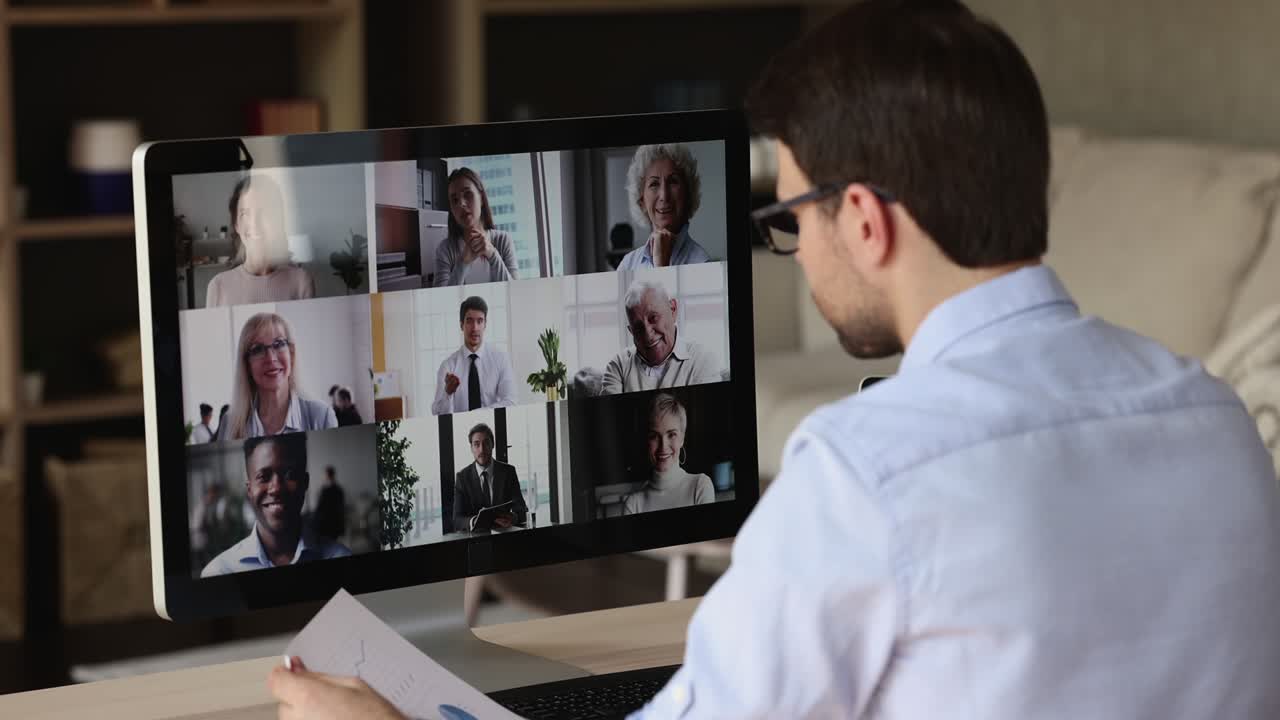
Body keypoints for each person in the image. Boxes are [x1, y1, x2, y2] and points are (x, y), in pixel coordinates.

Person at [268, 1, 1280, 717]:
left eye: (791, 215)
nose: (792, 253)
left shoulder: (867, 473)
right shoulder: (1214, 418)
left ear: (865, 220)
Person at [201, 434, 350, 576]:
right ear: (249, 490)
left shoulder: (341, 558)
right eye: (263, 477)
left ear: (305, 483)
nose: (276, 488)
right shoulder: (220, 571)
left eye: (290, 474)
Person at [217, 312, 337, 440]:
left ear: (291, 354)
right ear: (247, 365)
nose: (271, 358)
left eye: (279, 344)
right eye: (258, 349)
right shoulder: (230, 422)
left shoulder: (322, 416)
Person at [205, 173, 316, 307]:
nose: (255, 223)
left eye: (265, 212)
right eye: (245, 214)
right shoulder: (218, 286)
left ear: (278, 221)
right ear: (236, 225)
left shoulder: (300, 282)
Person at [602, 280, 722, 394]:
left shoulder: (702, 360)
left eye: (653, 318)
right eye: (638, 327)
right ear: (631, 331)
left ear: (673, 309)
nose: (648, 335)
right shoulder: (618, 366)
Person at [617, 143, 713, 269]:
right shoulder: (628, 264)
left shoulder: (702, 263)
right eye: (654, 184)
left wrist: (661, 265)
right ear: (642, 201)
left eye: (673, 181)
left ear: (687, 195)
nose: (664, 195)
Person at [623, 393, 714, 515]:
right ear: (646, 441)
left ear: (682, 438)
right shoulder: (633, 504)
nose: (663, 446)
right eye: (654, 436)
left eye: (671, 434)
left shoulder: (700, 486)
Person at [430, 296, 516, 415]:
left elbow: (511, 402)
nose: (475, 328)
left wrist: (477, 414)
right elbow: (437, 414)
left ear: (485, 324)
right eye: (469, 321)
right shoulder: (448, 367)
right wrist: (447, 393)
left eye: (479, 321)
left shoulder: (501, 359)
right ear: (461, 325)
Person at [432, 167, 518, 286]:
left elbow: (515, 292)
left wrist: (492, 254)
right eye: (455, 200)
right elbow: (440, 300)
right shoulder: (445, 250)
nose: (461, 203)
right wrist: (463, 262)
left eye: (467, 194)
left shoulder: (503, 240)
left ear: (481, 198)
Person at [451, 423, 528, 533]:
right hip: (477, 540)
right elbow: (457, 520)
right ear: (471, 448)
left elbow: (521, 509)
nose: (481, 450)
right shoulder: (462, 477)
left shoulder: (508, 472)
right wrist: (474, 521)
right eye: (476, 444)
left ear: (492, 445)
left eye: (486, 443)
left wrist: (513, 518)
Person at [313, 465, 346, 542]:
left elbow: (320, 507)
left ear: (327, 475)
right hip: (335, 522)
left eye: (325, 474)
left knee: (327, 543)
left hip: (326, 522)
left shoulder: (324, 490)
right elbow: (341, 508)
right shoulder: (339, 490)